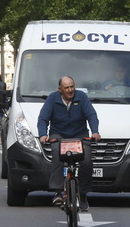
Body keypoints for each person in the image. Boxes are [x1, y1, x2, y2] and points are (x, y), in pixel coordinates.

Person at [38, 76, 100, 211]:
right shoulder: (52, 99)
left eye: (72, 86)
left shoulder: (81, 97)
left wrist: (95, 132)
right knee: (57, 155)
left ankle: (83, 194)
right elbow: (43, 118)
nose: (70, 90)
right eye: (66, 87)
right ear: (60, 89)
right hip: (58, 135)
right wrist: (43, 134)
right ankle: (58, 192)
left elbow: (91, 115)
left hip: (80, 135)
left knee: (87, 161)